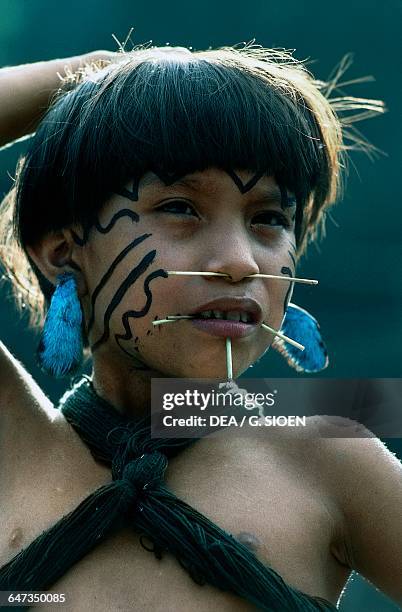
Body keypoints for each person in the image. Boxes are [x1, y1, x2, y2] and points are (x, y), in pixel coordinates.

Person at [0, 43, 400, 611]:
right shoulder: (11, 448)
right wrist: (96, 75)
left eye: (269, 219)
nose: (240, 263)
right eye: (181, 208)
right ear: (64, 252)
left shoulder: (327, 459)